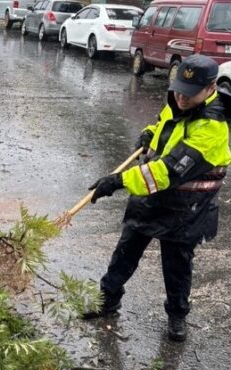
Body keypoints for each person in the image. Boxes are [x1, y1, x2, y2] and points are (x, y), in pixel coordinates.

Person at [83, 54, 231, 342]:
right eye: (178, 90)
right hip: (152, 201)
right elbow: (166, 126)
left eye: (189, 94)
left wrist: (118, 181)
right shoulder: (178, 100)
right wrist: (149, 134)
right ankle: (107, 301)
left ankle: (177, 317)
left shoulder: (212, 129)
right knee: (124, 253)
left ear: (211, 88)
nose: (181, 98)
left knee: (177, 267)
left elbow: (165, 172)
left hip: (186, 210)